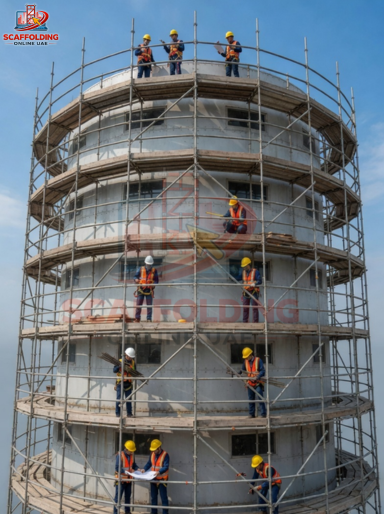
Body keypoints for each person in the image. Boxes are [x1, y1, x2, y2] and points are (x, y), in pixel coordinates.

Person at [141, 439, 169, 514]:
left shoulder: (165, 455)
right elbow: (149, 463)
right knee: (153, 498)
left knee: (164, 498)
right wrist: (144, 469)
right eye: (153, 450)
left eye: (155, 450)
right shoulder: (152, 454)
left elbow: (166, 466)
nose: (153, 451)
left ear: (159, 448)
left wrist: (159, 472)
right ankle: (154, 512)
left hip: (162, 480)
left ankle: (165, 513)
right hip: (153, 479)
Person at [239, 347, 266, 418]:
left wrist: (258, 376)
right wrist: (238, 373)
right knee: (251, 399)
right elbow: (243, 370)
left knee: (260, 397)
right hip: (250, 382)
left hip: (257, 382)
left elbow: (263, 371)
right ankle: (251, 414)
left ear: (251, 354)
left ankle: (263, 414)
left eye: (247, 357)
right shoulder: (245, 361)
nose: (246, 358)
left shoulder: (258, 360)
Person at [114, 440, 139, 514]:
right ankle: (115, 512)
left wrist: (138, 469)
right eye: (130, 451)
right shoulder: (120, 455)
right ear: (126, 449)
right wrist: (125, 472)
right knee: (118, 498)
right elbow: (117, 467)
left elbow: (133, 465)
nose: (132, 452)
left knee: (128, 498)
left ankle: (127, 511)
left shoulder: (131, 456)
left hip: (129, 480)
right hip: (121, 480)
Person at [134, 255, 159, 322]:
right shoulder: (140, 269)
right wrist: (136, 280)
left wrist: (154, 284)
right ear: (145, 263)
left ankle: (148, 319)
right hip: (141, 289)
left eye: (150, 264)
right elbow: (135, 277)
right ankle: (137, 318)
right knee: (138, 305)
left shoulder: (154, 271)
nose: (149, 265)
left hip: (149, 290)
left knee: (149, 305)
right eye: (148, 264)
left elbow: (156, 280)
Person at [113, 347, 136, 418]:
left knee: (128, 399)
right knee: (119, 399)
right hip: (120, 383)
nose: (130, 358)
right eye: (129, 357)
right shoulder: (119, 361)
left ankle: (129, 413)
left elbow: (135, 372)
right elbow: (114, 370)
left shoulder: (133, 363)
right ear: (126, 355)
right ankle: (118, 413)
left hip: (128, 383)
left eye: (131, 357)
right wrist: (119, 366)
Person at [237, 257, 262, 323]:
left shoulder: (255, 271)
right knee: (245, 308)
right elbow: (238, 278)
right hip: (246, 292)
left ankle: (255, 323)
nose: (244, 268)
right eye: (243, 266)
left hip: (253, 292)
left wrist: (255, 284)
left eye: (244, 266)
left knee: (254, 308)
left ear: (248, 265)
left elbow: (260, 281)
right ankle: (245, 322)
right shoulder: (243, 272)